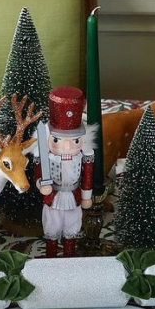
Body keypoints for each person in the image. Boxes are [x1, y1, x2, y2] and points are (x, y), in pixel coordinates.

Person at [35, 86, 94, 258]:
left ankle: (69, 257)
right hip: (53, 197)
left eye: (75, 141)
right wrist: (41, 185)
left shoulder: (84, 157)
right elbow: (38, 174)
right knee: (52, 226)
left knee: (72, 226)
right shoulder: (45, 156)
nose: (67, 147)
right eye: (57, 140)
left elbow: (87, 177)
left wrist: (86, 196)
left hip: (73, 197)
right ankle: (51, 257)